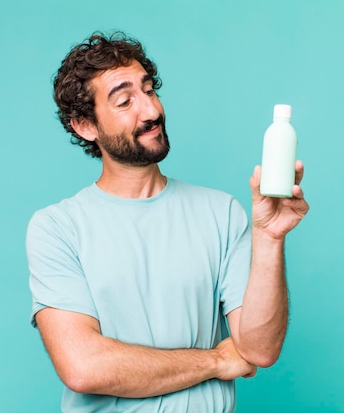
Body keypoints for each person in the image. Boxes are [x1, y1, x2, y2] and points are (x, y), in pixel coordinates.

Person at [26, 31, 309, 413]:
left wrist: (270, 237)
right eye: (125, 101)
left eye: (149, 90)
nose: (151, 110)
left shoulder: (221, 213)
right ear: (85, 126)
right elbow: (84, 367)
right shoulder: (57, 228)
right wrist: (217, 361)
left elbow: (258, 349)